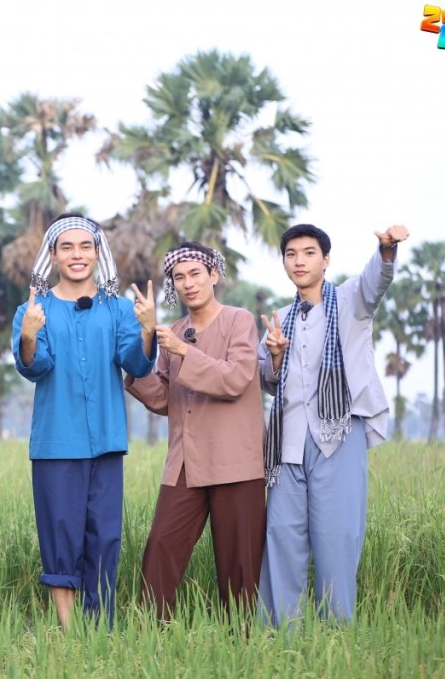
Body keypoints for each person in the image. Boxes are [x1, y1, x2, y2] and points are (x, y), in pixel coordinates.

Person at [258, 223, 410, 626]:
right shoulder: (280, 319)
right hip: (288, 443)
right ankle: (280, 635)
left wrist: (387, 250)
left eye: (309, 253)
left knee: (337, 538)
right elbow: (266, 380)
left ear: (326, 260)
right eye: (291, 254)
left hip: (339, 435)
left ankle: (337, 633)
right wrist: (275, 357)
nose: (299, 261)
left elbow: (376, 281)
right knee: (281, 536)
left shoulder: (350, 300)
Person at [12, 213, 156, 629]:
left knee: (105, 536)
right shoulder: (32, 310)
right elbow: (36, 366)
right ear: (53, 254)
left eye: (85, 246)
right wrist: (29, 335)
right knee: (61, 534)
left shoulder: (119, 309)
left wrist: (148, 331)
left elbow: (136, 363)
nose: (77, 255)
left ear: (97, 253)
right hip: (56, 442)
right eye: (67, 247)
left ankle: (100, 629)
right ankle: (68, 630)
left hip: (107, 441)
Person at [125, 242, 265, 621]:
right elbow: (163, 399)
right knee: (161, 546)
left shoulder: (238, 320)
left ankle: (242, 640)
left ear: (213, 275)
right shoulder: (172, 332)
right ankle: (149, 634)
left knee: (239, 562)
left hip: (235, 461)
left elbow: (236, 378)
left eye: (195, 274)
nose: (188, 283)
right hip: (185, 461)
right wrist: (143, 342)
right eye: (179, 277)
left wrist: (185, 352)